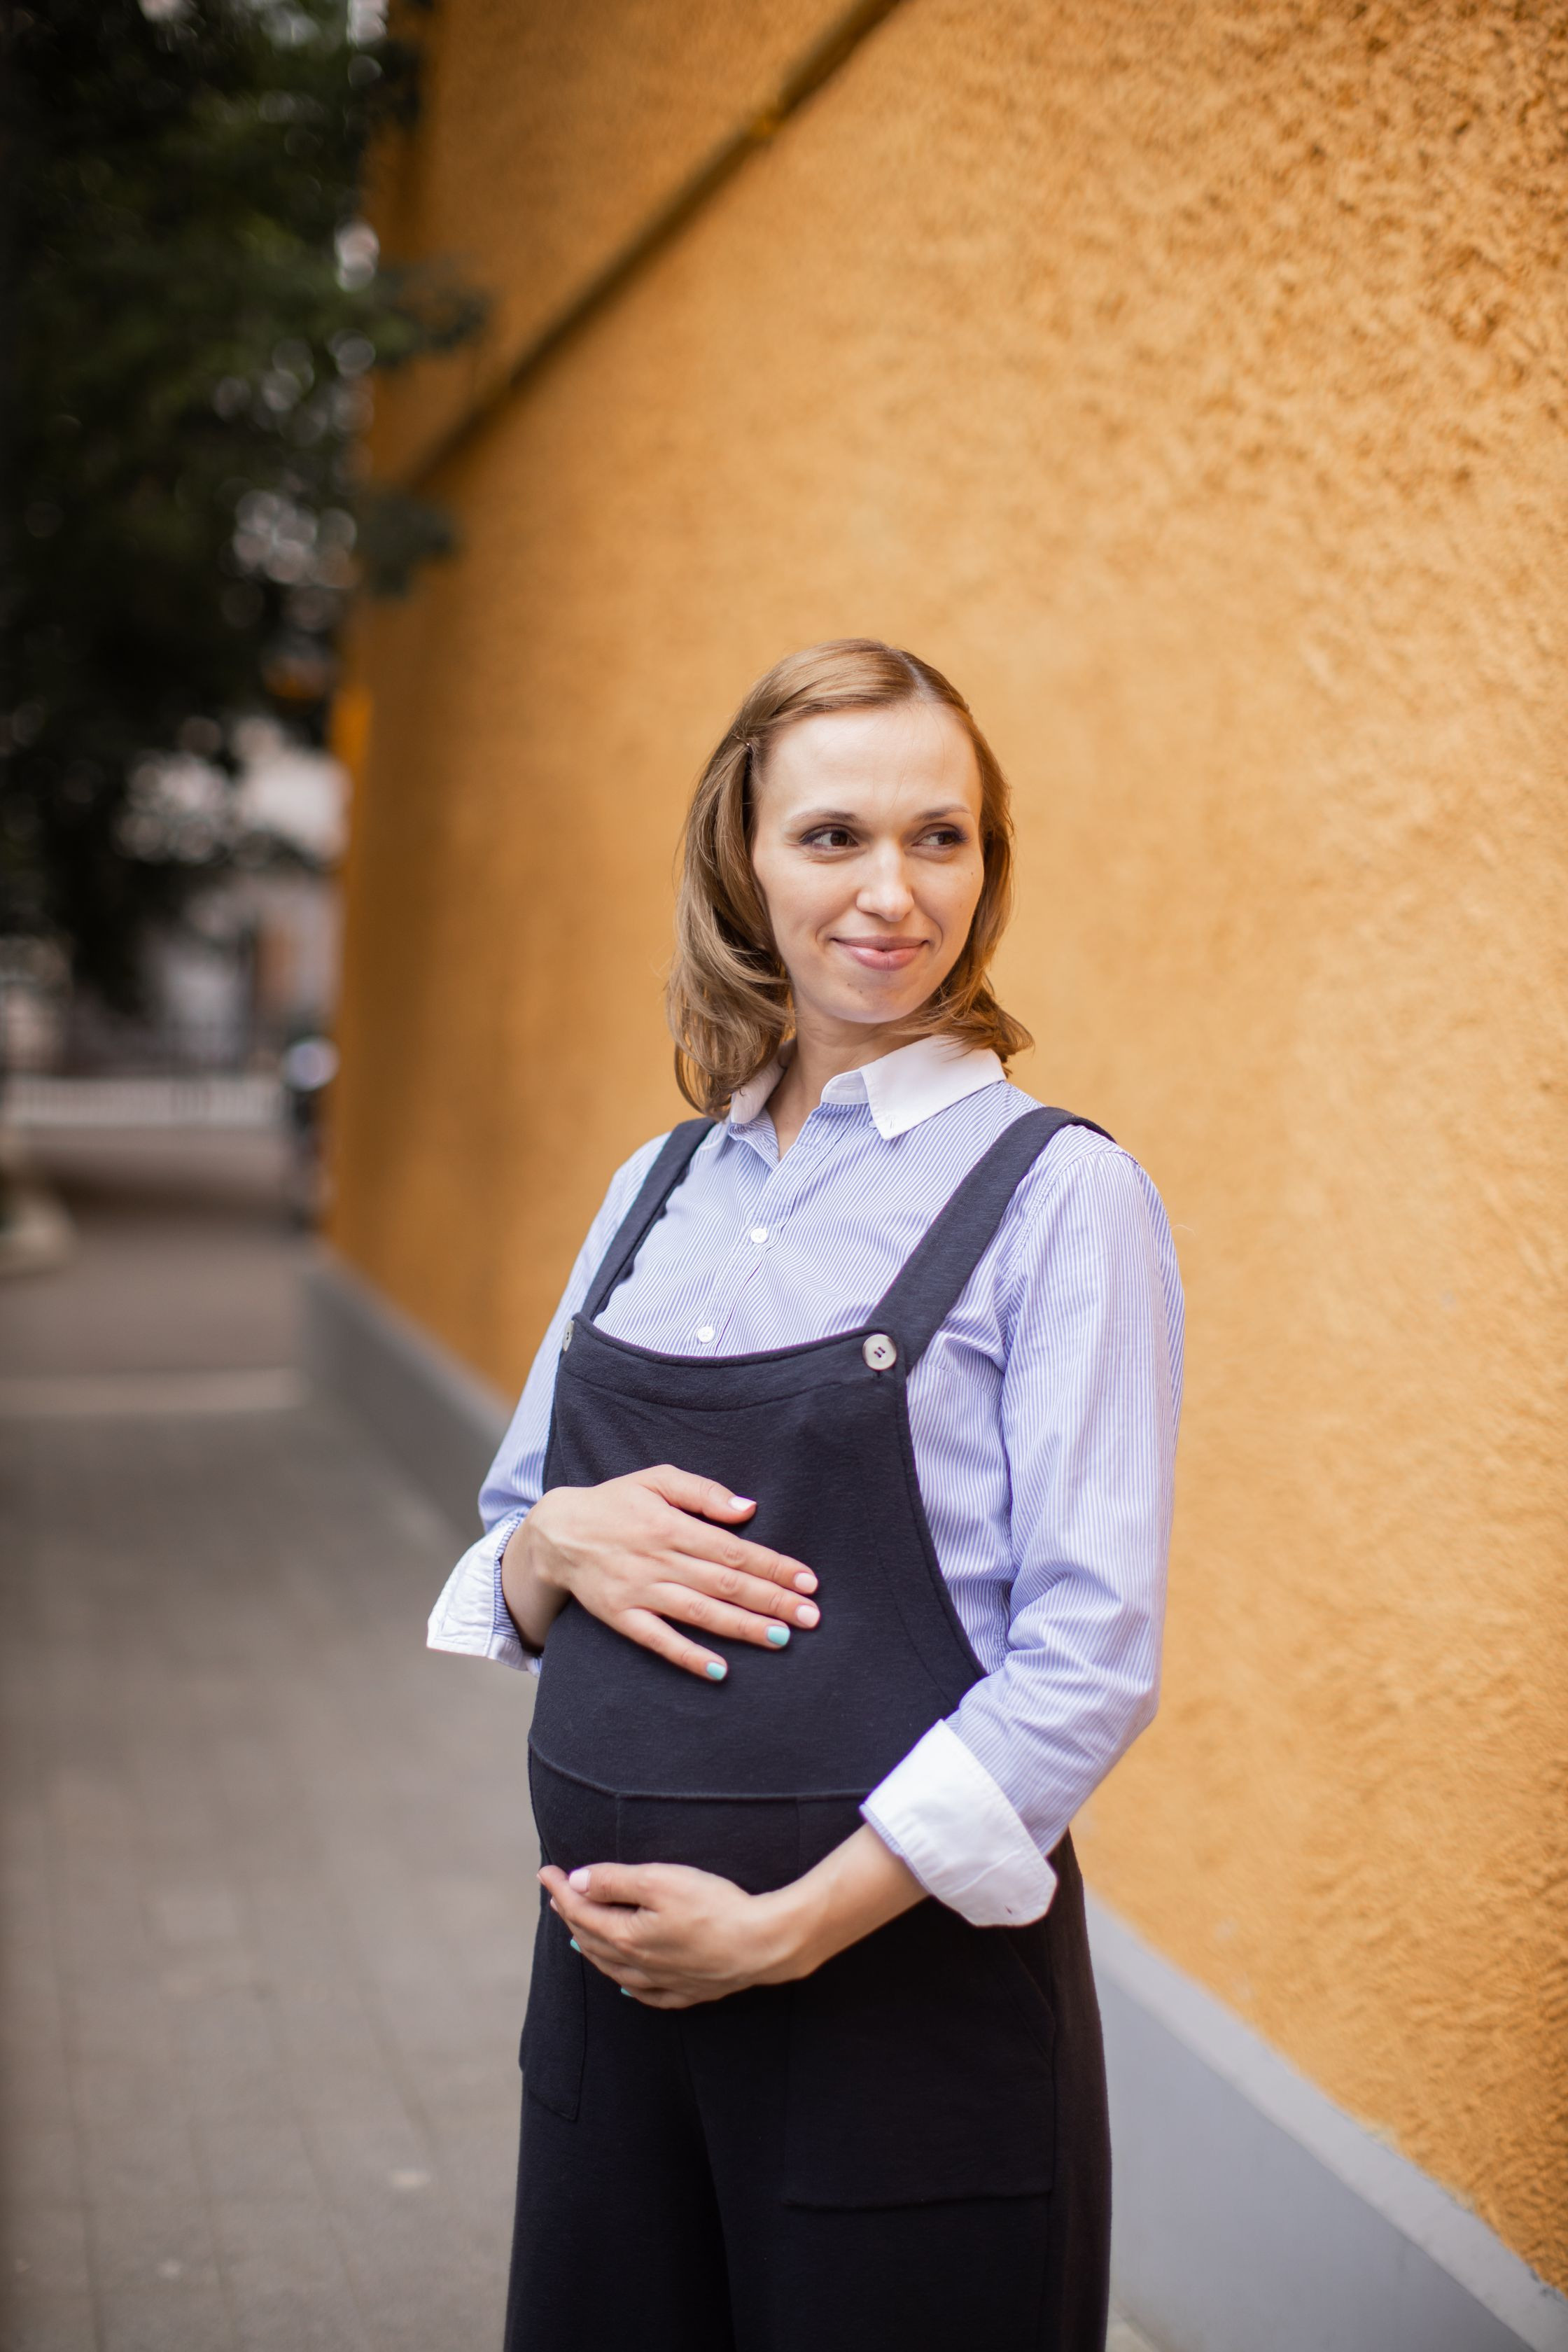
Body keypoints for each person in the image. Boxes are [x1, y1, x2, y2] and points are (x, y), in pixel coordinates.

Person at [428, 639, 1183, 2352]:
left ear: (988, 871)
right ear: (740, 863)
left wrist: (780, 1932)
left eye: (943, 838)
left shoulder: (1061, 1196)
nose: (892, 894)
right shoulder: (661, 1180)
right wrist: (550, 1537)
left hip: (889, 2018)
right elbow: (509, 1544)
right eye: (832, 836)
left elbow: (1088, 1660)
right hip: (612, 2010)